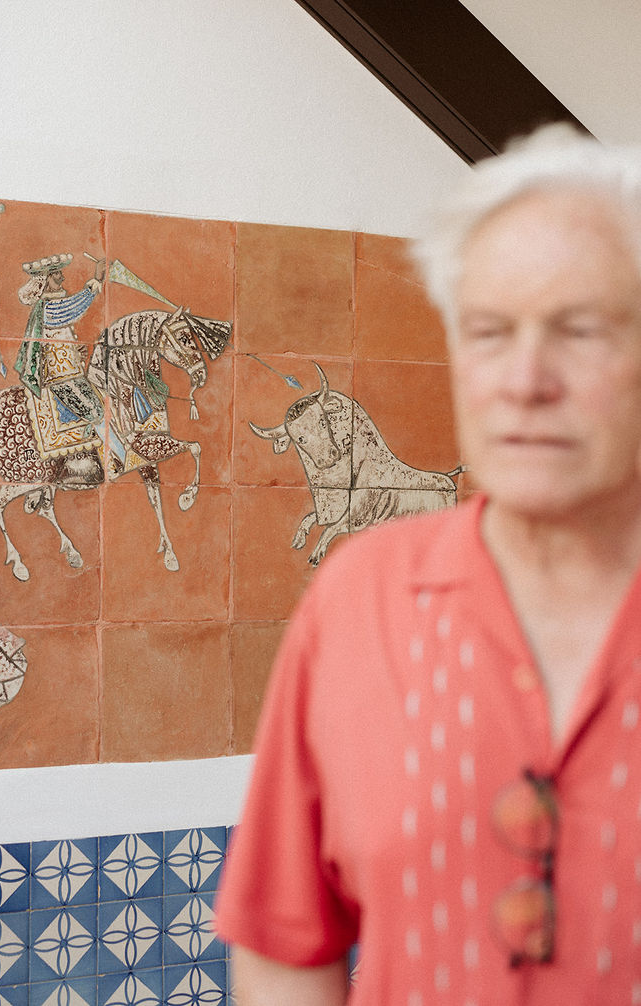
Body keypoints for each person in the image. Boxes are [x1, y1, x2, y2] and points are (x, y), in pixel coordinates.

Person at [215, 123, 641, 1003]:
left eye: (581, 330)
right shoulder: (357, 596)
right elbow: (286, 939)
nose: (524, 379)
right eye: (488, 332)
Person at [15, 253, 106, 485]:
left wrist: (75, 354)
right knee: (97, 411)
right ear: (44, 280)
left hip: (69, 372)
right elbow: (72, 309)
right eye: (56, 275)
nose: (62, 277)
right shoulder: (49, 308)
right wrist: (95, 281)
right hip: (61, 378)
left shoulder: (50, 306)